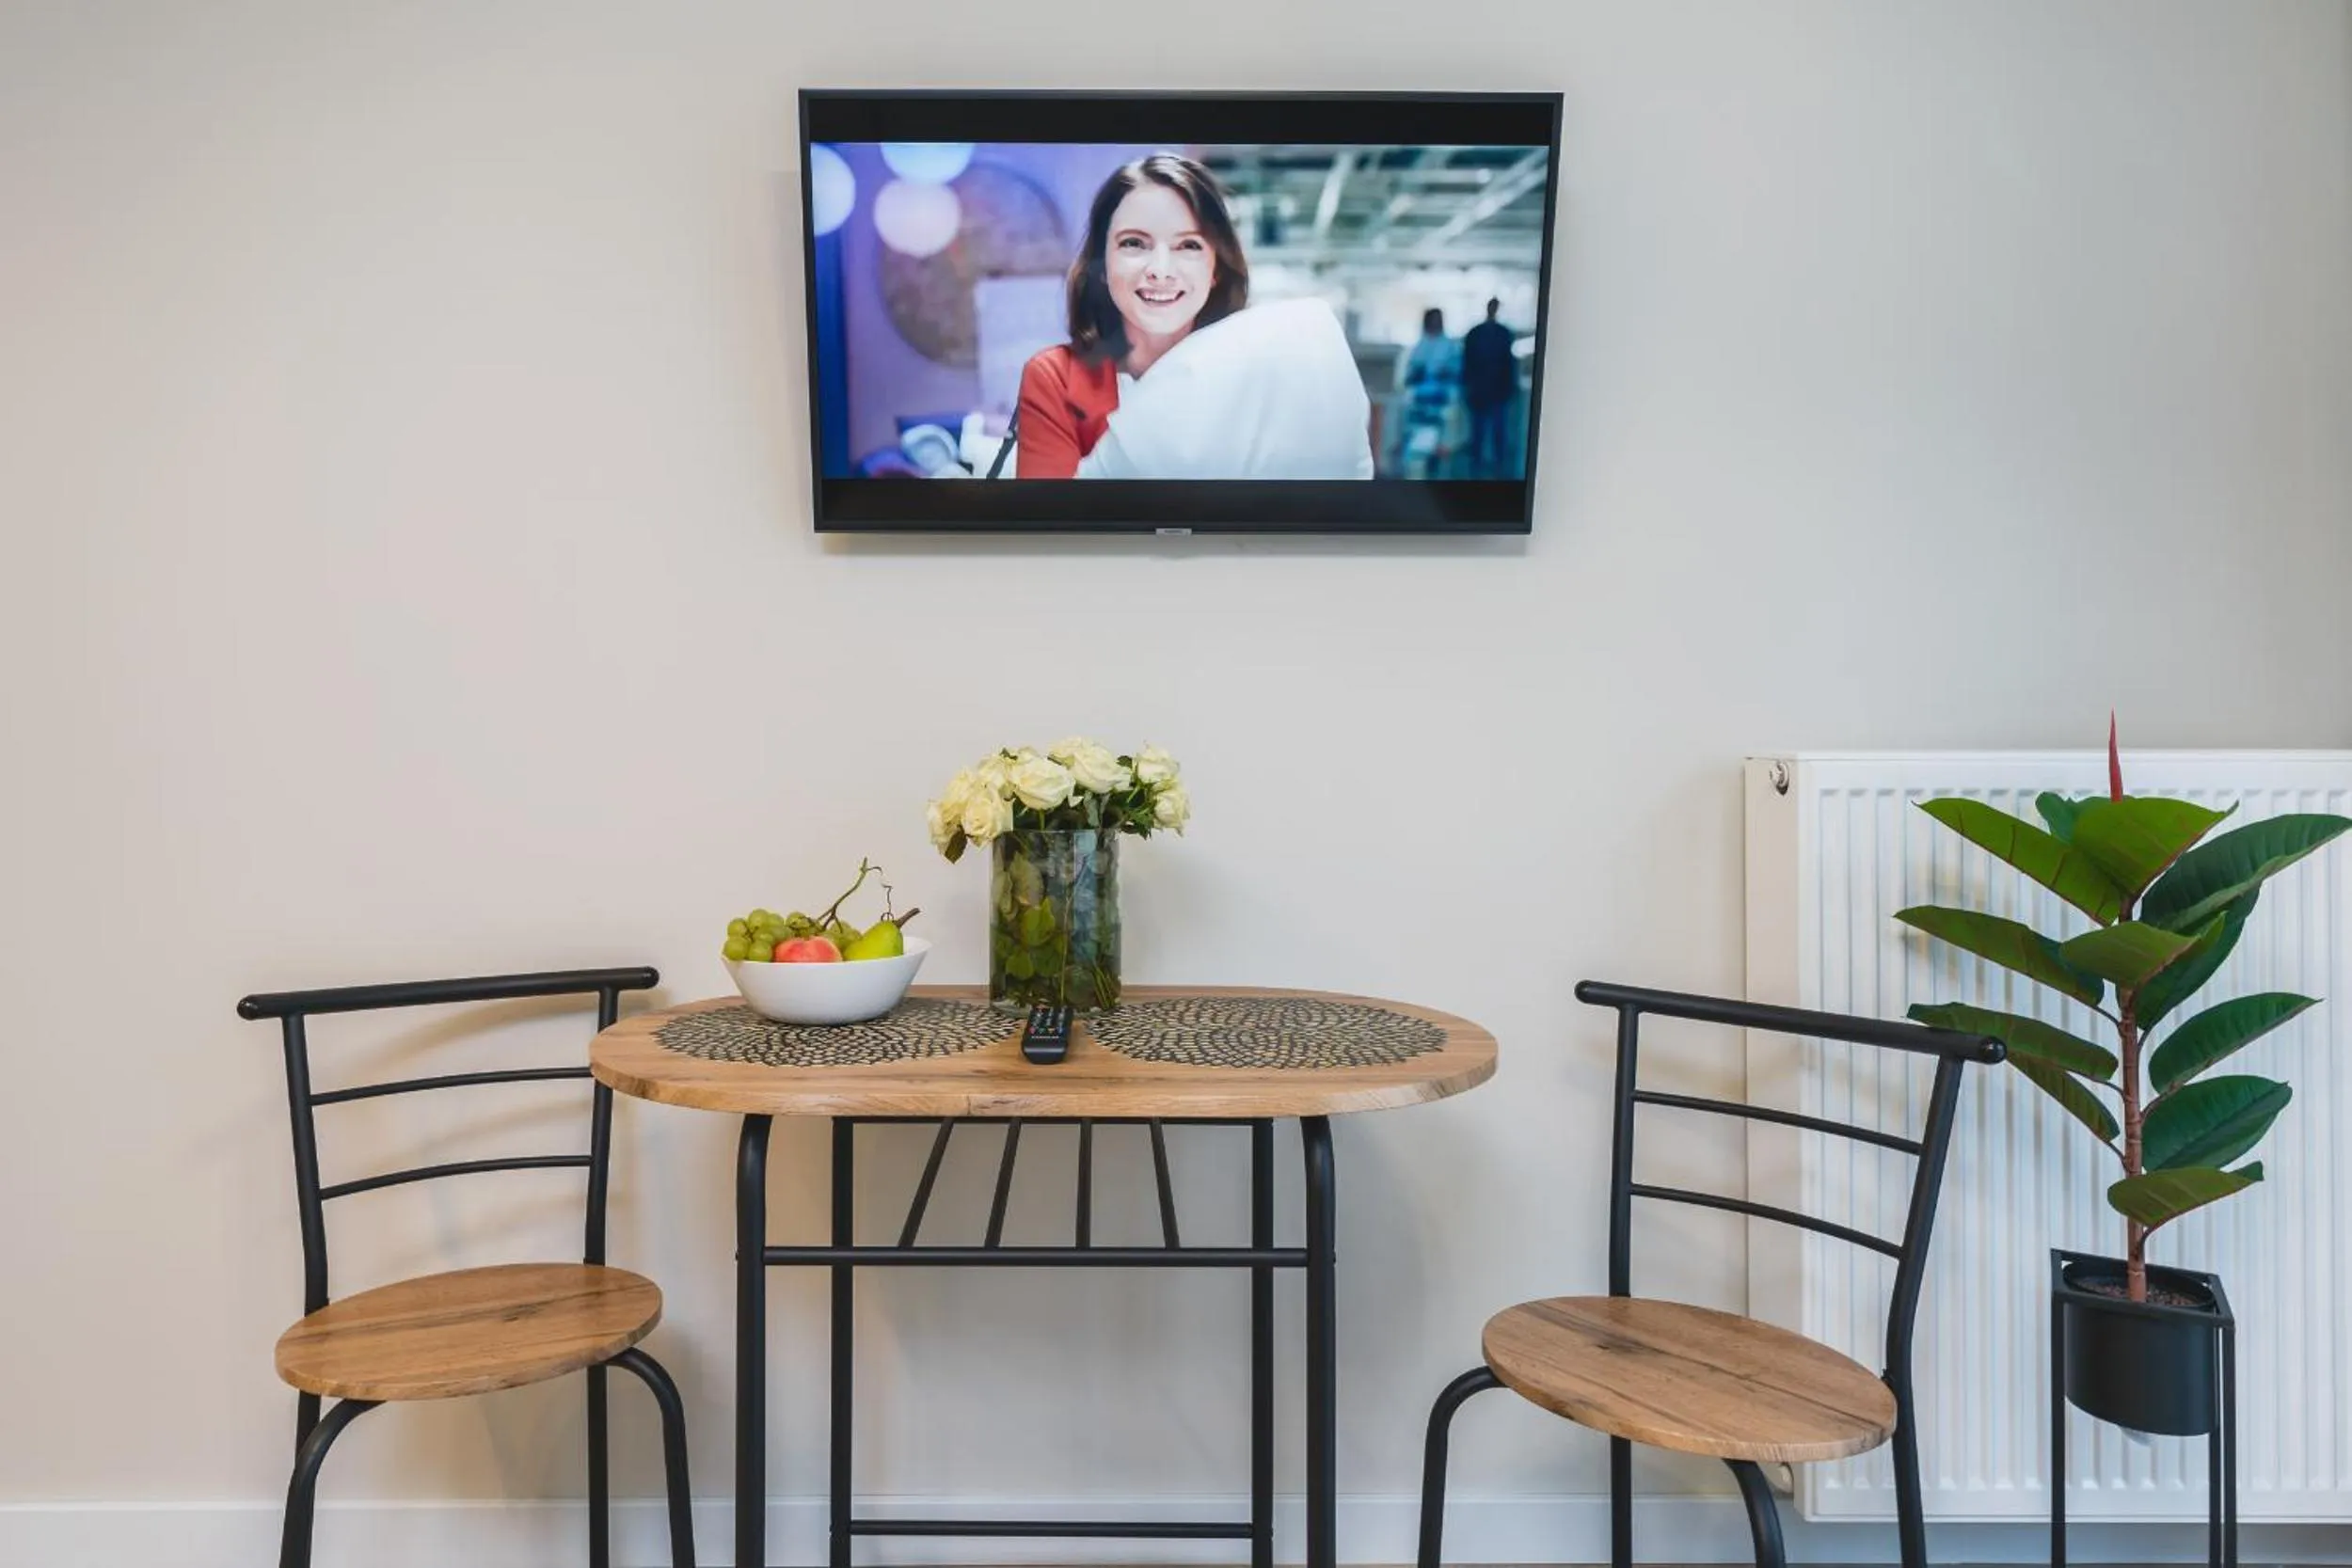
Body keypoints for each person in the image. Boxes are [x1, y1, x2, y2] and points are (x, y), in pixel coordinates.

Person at [1013, 153, 1249, 478]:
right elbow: (1050, 525)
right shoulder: (1056, 377)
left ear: (1216, 269)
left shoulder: (1251, 378)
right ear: (1102, 265)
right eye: (1135, 243)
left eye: (1188, 246)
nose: (1160, 271)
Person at [1393, 308, 1459, 478]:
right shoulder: (1417, 347)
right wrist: (1418, 373)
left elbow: (1456, 374)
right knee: (1415, 456)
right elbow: (1408, 378)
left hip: (1441, 407)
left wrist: (1442, 373)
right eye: (1432, 319)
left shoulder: (1450, 346)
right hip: (1418, 408)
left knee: (1440, 454)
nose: (1435, 323)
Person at [1460, 297, 1518, 476]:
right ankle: (1481, 466)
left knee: (1494, 432)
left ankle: (1491, 466)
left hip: (1493, 390)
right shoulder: (1497, 333)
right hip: (1484, 391)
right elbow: (1468, 363)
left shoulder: (1489, 333)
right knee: (1482, 432)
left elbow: (1508, 364)